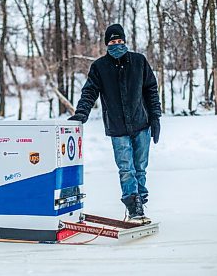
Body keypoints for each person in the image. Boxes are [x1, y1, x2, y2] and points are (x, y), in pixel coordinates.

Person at [69, 23, 161, 224]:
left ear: (125, 41)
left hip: (141, 124)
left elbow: (151, 90)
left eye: (120, 41)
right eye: (112, 42)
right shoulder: (100, 67)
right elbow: (89, 91)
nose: (117, 45)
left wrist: (155, 117)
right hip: (118, 128)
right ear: (107, 44)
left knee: (140, 168)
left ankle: (140, 203)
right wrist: (81, 113)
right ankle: (133, 207)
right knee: (126, 168)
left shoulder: (139, 61)